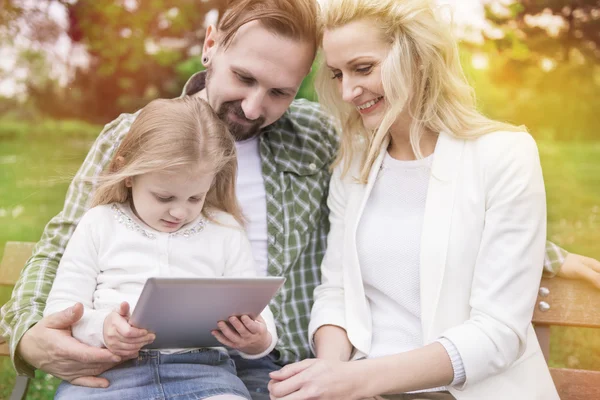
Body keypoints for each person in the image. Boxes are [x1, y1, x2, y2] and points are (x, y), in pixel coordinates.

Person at [0, 1, 596, 399]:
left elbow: (433, 197)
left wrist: (545, 253)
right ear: (211, 43)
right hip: (130, 365)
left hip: (270, 370)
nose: (256, 108)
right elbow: (63, 246)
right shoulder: (135, 138)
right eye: (244, 78)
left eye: (281, 91)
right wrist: (30, 336)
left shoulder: (322, 137)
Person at [268, 0, 559, 399]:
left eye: (363, 68)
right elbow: (336, 292)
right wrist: (330, 372)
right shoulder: (353, 163)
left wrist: (356, 380)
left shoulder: (504, 155)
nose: (348, 91)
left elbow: (498, 334)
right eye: (337, 74)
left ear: (418, 58)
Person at [42, 96, 277, 400]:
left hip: (204, 373)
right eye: (164, 198)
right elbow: (62, 307)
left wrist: (258, 340)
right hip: (112, 373)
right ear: (127, 175)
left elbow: (255, 305)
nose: (180, 212)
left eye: (195, 198)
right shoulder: (99, 223)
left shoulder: (225, 230)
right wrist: (103, 328)